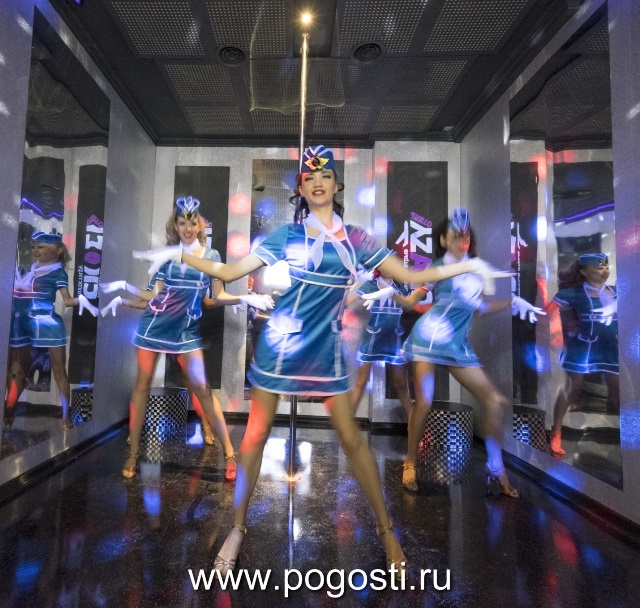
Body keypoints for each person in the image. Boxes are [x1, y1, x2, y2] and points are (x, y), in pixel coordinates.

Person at [133, 145, 507, 580]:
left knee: (352, 440)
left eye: (325, 175)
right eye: (309, 177)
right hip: (280, 346)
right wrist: (177, 255)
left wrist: (471, 267)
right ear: (301, 189)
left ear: (336, 185)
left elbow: (412, 277)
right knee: (254, 438)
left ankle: (387, 531)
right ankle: (236, 528)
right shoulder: (287, 236)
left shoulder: (357, 239)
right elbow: (231, 273)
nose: (317, 181)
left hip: (325, 351)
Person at [100, 196, 273, 480]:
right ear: (176, 226)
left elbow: (216, 295)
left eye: (192, 223)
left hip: (186, 331)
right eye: (182, 223)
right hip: (153, 328)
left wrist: (244, 297)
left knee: (203, 388)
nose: (188, 228)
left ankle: (230, 453)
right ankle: (133, 453)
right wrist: (124, 287)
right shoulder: (168, 256)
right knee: (141, 386)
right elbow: (153, 296)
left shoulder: (211, 256)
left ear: (199, 225)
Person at [387, 208, 544, 496]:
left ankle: (495, 465)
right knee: (424, 402)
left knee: (494, 401)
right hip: (430, 339)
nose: (462, 241)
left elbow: (481, 308)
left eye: (466, 236)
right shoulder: (438, 268)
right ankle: (410, 462)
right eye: (455, 236)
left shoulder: (477, 269)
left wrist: (513, 301)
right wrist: (389, 291)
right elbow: (410, 303)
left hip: (458, 344)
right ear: (443, 241)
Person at [100, 273, 272, 447]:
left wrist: (236, 300)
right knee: (143, 384)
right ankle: (134, 433)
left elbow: (208, 301)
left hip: (182, 335)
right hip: (157, 333)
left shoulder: (198, 276)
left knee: (196, 384)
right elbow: (148, 302)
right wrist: (122, 301)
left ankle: (206, 427)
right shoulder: (162, 273)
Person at [4, 231, 98, 429]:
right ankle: (9, 410)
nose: (35, 251)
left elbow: (67, 300)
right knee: (17, 371)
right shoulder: (29, 269)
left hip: (48, 325)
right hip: (24, 324)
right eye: (33, 247)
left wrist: (84, 301)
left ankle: (65, 417)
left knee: (59, 371)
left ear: (57, 250)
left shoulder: (58, 273)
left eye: (41, 247)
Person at [547, 253, 618, 455]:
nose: (605, 271)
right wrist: (555, 337)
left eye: (606, 267)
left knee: (619, 390)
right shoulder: (572, 293)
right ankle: (556, 433)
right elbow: (546, 313)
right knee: (572, 388)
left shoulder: (617, 292)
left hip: (611, 347)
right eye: (599, 268)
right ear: (584, 271)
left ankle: (627, 439)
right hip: (583, 347)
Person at [351, 269, 427, 417]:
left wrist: (423, 285)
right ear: (379, 267)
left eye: (391, 265)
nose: (388, 268)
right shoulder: (370, 285)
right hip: (372, 337)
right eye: (385, 265)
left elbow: (411, 302)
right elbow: (350, 302)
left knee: (401, 383)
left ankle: (413, 426)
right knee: (361, 381)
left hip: (394, 337)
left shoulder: (400, 287)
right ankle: (347, 424)